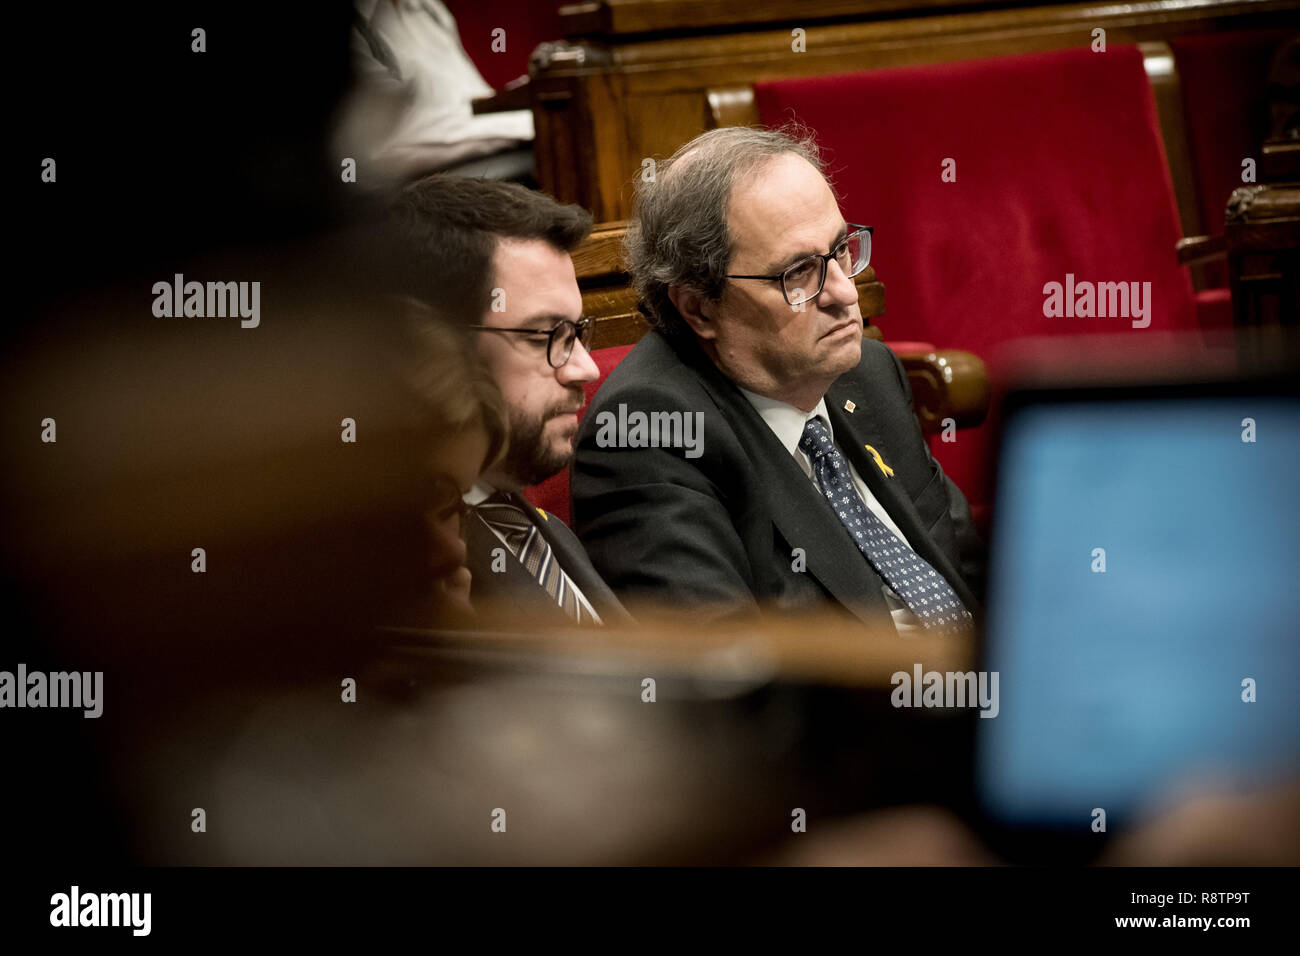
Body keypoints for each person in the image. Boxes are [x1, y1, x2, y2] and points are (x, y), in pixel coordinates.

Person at [571, 126, 984, 633]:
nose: (844, 295)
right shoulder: (649, 436)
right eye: (799, 273)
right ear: (700, 308)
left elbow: (975, 572)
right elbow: (734, 680)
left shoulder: (867, 374)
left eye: (841, 252)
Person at [391, 176, 631, 626]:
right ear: (436, 342)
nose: (586, 368)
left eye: (576, 333)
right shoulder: (422, 570)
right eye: (546, 334)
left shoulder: (530, 521)